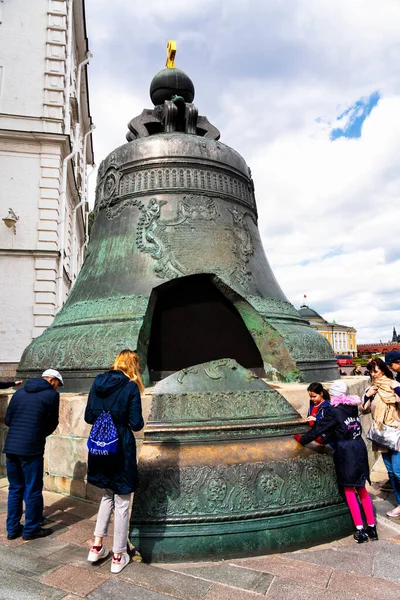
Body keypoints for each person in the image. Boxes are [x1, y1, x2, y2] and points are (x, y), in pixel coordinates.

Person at [294, 380, 377, 543]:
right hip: (359, 446)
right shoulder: (351, 407)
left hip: (346, 451)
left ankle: (360, 530)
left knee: (348, 490)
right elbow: (341, 429)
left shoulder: (334, 411)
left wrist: (302, 440)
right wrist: (325, 439)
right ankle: (372, 528)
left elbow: (319, 428)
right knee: (361, 488)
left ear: (334, 395)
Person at [85, 349, 144, 574]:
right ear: (133, 366)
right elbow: (136, 423)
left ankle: (97, 545)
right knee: (122, 501)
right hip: (121, 448)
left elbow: (89, 416)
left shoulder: (97, 382)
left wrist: (105, 416)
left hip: (100, 448)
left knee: (107, 494)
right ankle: (118, 555)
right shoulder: (130, 386)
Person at [3, 368, 62, 540]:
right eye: (58, 383)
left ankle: (12, 529)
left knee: (15, 489)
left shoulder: (20, 393)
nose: (57, 387)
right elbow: (52, 422)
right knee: (32, 489)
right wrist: (37, 433)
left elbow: (8, 419)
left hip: (12, 447)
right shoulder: (51, 396)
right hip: (31, 448)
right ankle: (31, 529)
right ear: (52, 380)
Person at [362, 358, 400, 517]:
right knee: (391, 473)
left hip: (396, 433)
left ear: (383, 370)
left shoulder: (394, 386)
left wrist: (398, 390)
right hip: (381, 435)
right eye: (371, 371)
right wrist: (367, 396)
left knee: (398, 472)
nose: (373, 374)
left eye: (375, 371)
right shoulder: (372, 389)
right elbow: (363, 410)